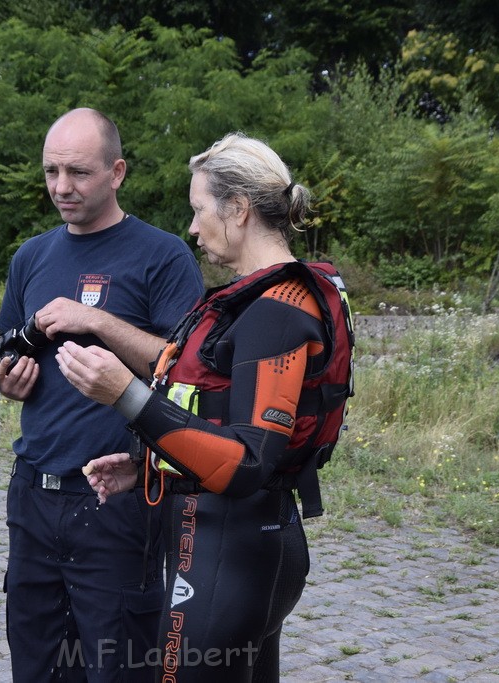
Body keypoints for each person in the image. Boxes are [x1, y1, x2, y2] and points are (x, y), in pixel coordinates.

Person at [55, 132, 354, 682]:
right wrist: (154, 464)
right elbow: (221, 418)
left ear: (237, 209)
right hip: (237, 544)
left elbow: (247, 462)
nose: (192, 227)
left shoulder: (275, 310)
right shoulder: (261, 301)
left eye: (198, 210)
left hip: (228, 552)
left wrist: (126, 394)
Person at [0, 107, 205, 682]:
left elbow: (188, 376)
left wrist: (98, 321)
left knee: (116, 668)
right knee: (36, 665)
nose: (62, 187)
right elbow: (5, 351)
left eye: (78, 172)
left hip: (117, 498)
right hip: (34, 493)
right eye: (51, 171)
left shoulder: (163, 256)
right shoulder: (31, 256)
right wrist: (8, 381)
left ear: (118, 172)